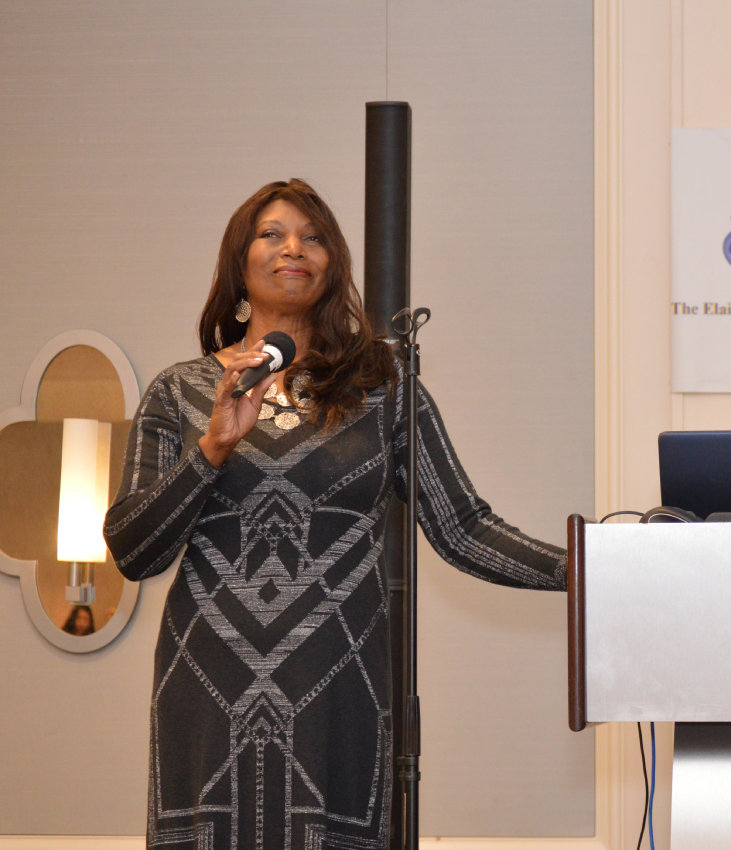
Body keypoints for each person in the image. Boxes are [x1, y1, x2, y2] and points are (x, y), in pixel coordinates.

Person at [104, 178, 566, 849]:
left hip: (338, 690)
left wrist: (586, 568)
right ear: (239, 266)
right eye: (272, 234)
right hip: (209, 690)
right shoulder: (181, 391)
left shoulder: (385, 389)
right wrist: (212, 449)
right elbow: (133, 550)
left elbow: (463, 528)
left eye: (314, 237)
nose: (294, 247)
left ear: (333, 266)